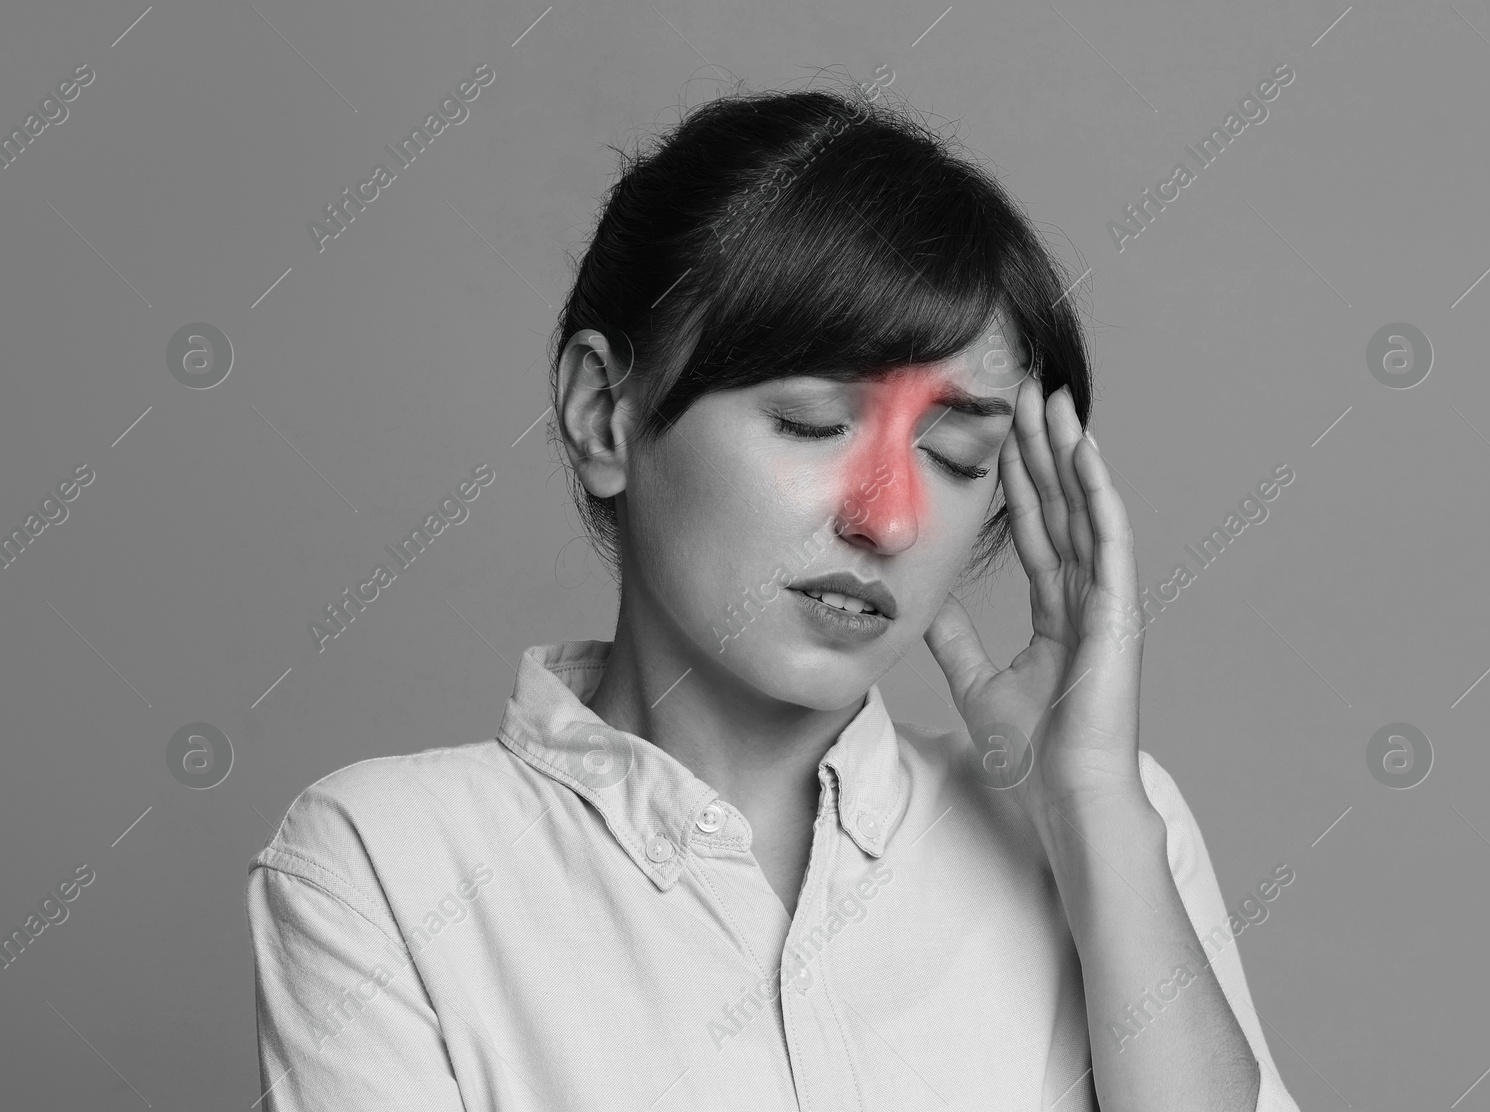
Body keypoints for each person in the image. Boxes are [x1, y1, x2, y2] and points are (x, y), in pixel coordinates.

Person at [246, 82, 1302, 1111]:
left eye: (954, 450)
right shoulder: (389, 864)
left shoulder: (1108, 823)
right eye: (809, 421)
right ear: (603, 413)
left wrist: (1088, 807)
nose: (886, 518)